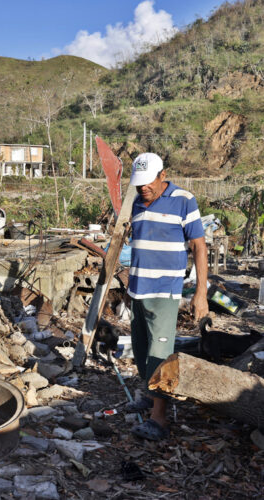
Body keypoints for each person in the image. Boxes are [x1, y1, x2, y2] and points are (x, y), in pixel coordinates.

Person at [126, 152, 208, 441]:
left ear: (162, 175)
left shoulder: (183, 199)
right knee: (140, 348)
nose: (143, 188)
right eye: (139, 184)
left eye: (148, 183)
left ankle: (158, 420)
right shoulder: (134, 202)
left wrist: (201, 292)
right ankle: (150, 397)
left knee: (160, 353)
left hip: (164, 289)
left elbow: (199, 245)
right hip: (137, 288)